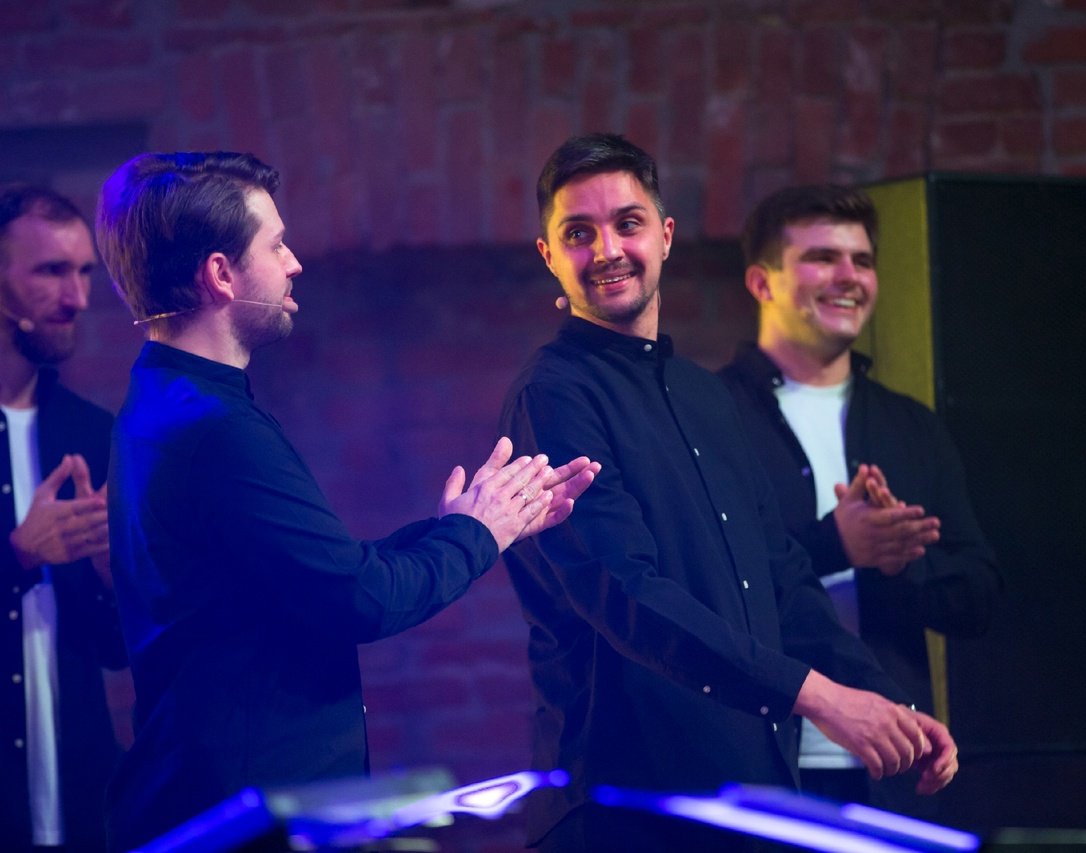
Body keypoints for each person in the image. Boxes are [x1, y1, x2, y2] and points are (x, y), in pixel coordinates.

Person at [93, 151, 600, 851]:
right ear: (220, 274)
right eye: (276, 245)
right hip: (249, 820)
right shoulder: (215, 429)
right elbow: (359, 598)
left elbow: (313, 570)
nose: (294, 263)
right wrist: (478, 534)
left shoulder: (163, 399)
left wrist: (468, 524)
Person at [497, 134, 958, 852]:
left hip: (750, 793)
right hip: (624, 809)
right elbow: (626, 593)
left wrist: (884, 703)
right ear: (549, 255)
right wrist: (822, 698)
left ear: (665, 235)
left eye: (627, 223)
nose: (608, 249)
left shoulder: (706, 396)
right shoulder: (553, 395)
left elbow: (780, 578)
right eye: (578, 233)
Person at [717, 184, 1001, 812]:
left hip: (894, 760)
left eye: (863, 261)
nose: (849, 276)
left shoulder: (911, 426)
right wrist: (835, 545)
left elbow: (980, 597)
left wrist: (901, 563)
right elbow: (703, 589)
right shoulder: (710, 416)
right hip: (762, 761)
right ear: (762, 283)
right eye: (823, 258)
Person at [0, 184, 124, 853]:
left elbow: (116, 650)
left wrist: (110, 576)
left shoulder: (91, 431)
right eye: (51, 271)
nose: (76, 298)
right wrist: (17, 558)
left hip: (81, 806)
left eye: (83, 272)